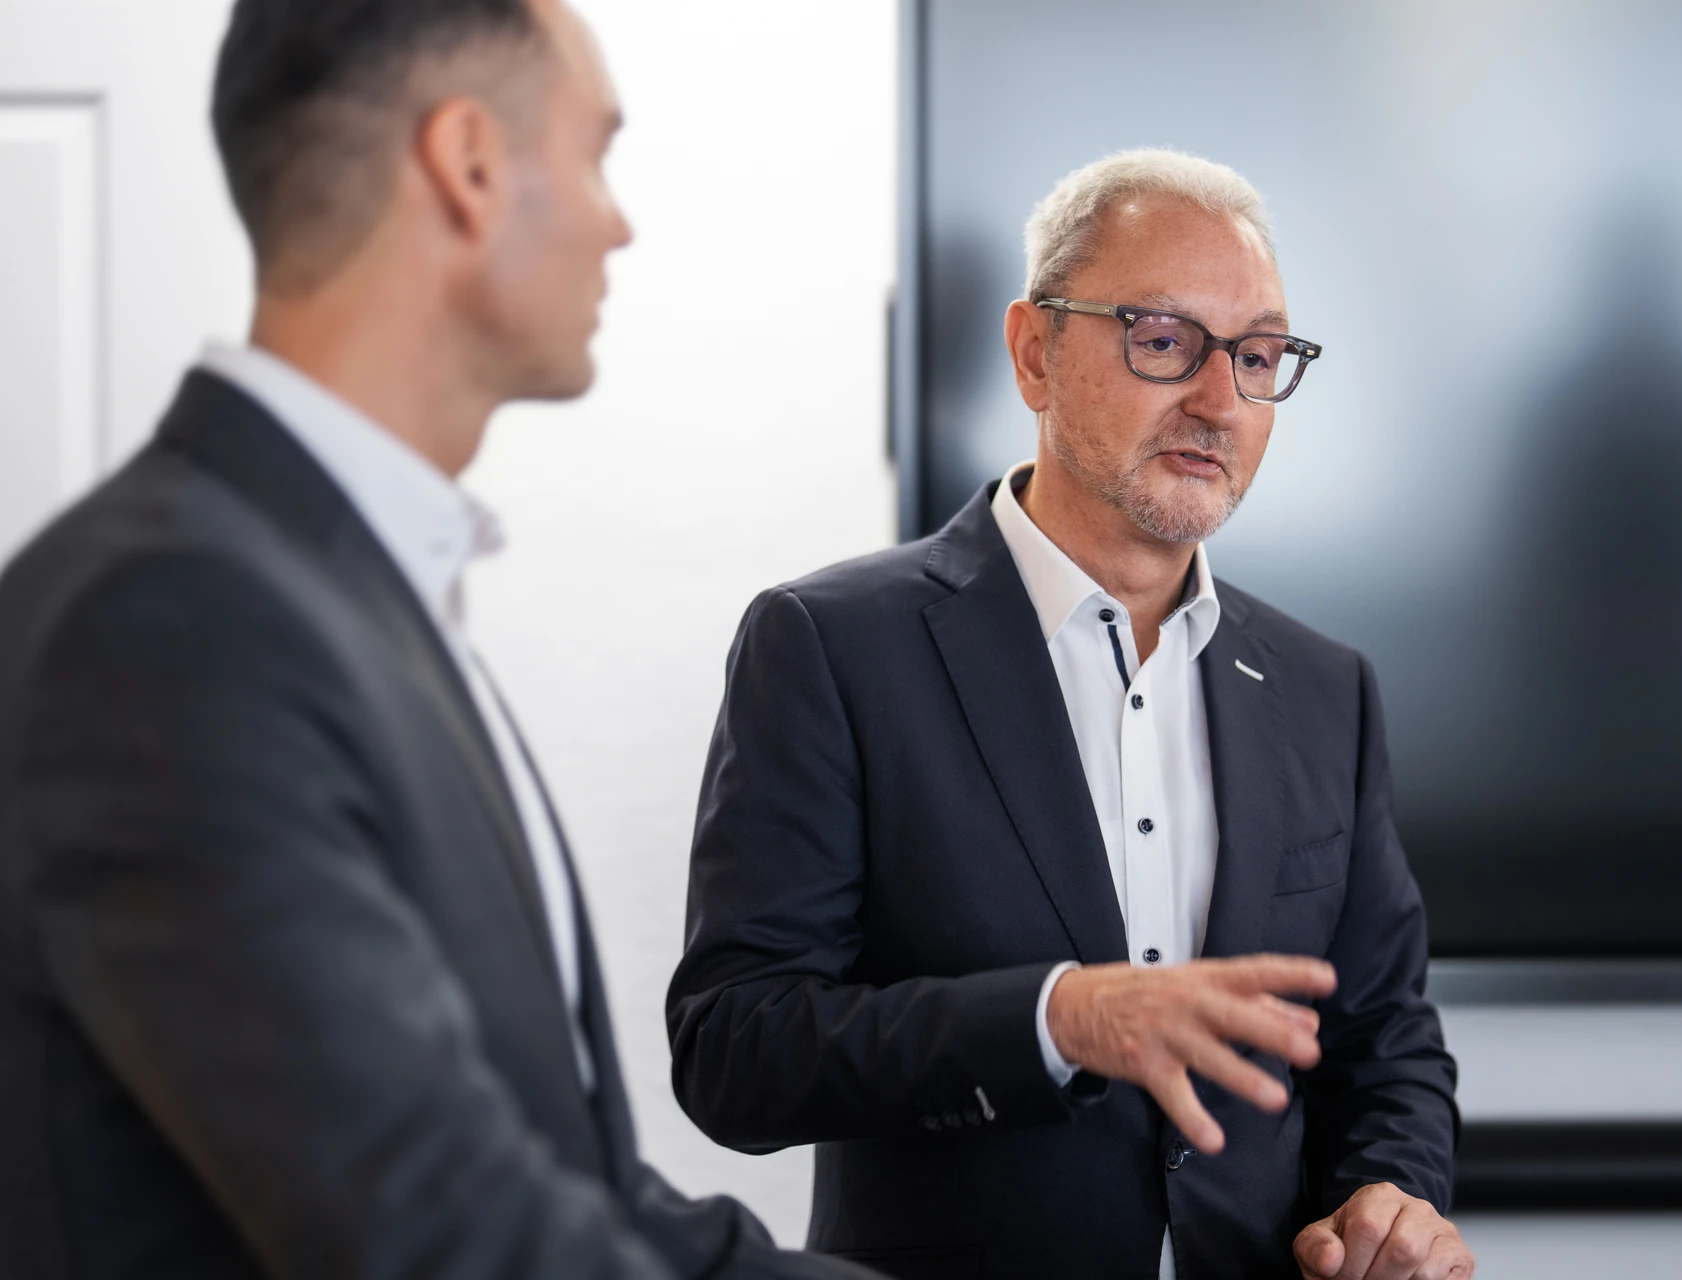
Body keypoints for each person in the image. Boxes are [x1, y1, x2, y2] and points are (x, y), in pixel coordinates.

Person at [0, 2, 872, 1276]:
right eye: (595, 153)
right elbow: (444, 1231)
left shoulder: (349, 591)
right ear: (466, 164)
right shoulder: (173, 616)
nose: (617, 220)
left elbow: (562, 1171)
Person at [668, 150, 1471, 1279]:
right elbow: (734, 1050)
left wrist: (1390, 1194)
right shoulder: (830, 645)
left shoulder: (1324, 688)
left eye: (1255, 355)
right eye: (1162, 340)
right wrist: (1057, 1019)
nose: (1218, 399)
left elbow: (1385, 1043)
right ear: (1035, 352)